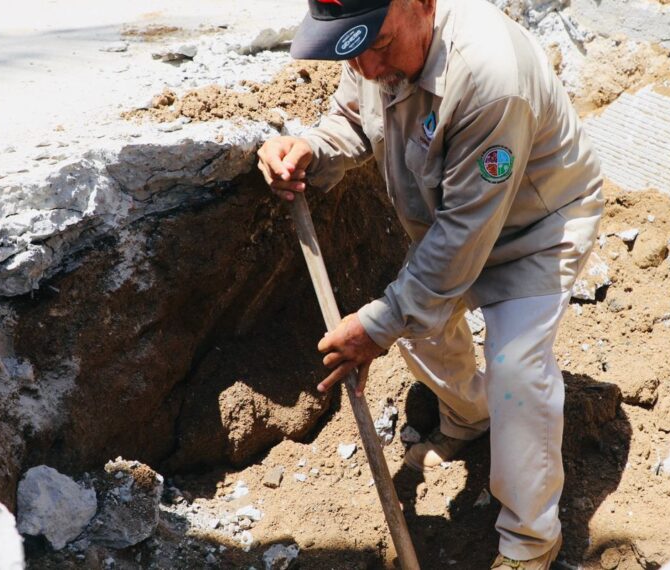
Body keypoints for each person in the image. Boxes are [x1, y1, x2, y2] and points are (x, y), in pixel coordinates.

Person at [256, 0, 603, 566]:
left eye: (379, 47)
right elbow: (353, 118)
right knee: (418, 325)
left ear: (423, 3)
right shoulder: (374, 44)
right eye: (354, 53)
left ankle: (530, 541)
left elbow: (465, 237)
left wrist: (378, 324)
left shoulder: (491, 77)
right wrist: (310, 149)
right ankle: (470, 416)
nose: (368, 68)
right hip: (453, 222)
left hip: (536, 229)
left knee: (515, 367)